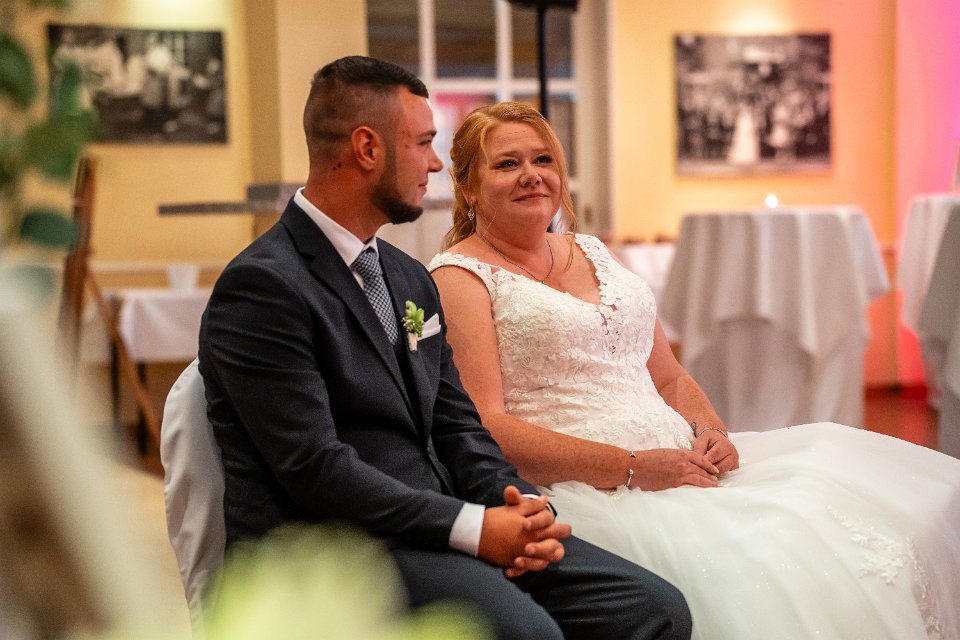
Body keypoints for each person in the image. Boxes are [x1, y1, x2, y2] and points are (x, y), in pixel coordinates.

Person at [198, 57, 691, 640]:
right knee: (528, 634)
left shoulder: (406, 276)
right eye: (423, 143)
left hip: (440, 525)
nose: (435, 163)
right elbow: (314, 468)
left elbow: (458, 425)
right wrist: (473, 528)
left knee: (656, 608)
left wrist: (518, 508)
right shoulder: (265, 286)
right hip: (335, 551)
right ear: (367, 148)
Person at [428, 101, 960, 640]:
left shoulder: (590, 250)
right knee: (760, 572)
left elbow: (668, 376)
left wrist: (711, 430)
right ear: (468, 186)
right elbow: (486, 425)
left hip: (686, 467)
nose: (531, 175)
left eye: (543, 159)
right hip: (590, 492)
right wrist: (633, 467)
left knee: (850, 530)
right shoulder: (460, 277)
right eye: (507, 164)